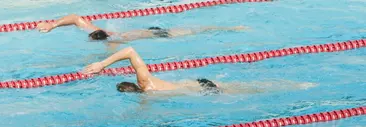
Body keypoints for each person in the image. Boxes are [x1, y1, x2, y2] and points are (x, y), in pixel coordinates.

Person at [83, 46, 226, 94]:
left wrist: (102, 64)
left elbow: (130, 51)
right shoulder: (145, 91)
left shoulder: (145, 83)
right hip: (199, 85)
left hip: (205, 89)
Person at [36, 14, 244, 44]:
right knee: (197, 30)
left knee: (196, 31)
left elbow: (75, 18)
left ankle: (231, 27)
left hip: (158, 34)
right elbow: (75, 17)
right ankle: (231, 27)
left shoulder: (113, 42)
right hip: (147, 31)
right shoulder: (101, 32)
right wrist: (52, 26)